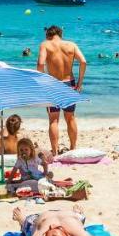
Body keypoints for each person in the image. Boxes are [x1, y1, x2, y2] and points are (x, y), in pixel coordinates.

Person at [37, 25, 87, 155]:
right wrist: (80, 83)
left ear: (48, 35)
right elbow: (83, 62)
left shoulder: (45, 45)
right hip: (69, 84)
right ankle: (73, 148)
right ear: (61, 34)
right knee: (70, 117)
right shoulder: (71, 45)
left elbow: (41, 64)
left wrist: (41, 83)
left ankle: (54, 151)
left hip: (52, 84)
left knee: (54, 119)